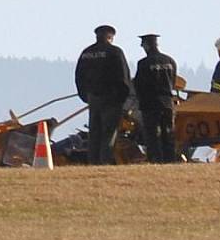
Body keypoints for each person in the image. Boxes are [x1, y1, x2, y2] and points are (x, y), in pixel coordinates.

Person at [74, 25, 132, 165]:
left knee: (94, 132)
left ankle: (93, 161)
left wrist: (85, 96)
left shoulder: (86, 53)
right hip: (112, 99)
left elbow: (79, 76)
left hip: (93, 98)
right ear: (111, 37)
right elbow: (124, 76)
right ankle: (104, 161)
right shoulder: (115, 52)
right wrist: (123, 98)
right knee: (109, 132)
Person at [133, 34, 178, 163]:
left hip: (150, 104)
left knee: (153, 136)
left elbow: (139, 85)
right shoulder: (170, 61)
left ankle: (156, 161)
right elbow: (173, 82)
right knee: (168, 134)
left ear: (146, 46)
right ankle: (170, 160)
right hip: (168, 103)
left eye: (143, 45)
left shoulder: (144, 63)